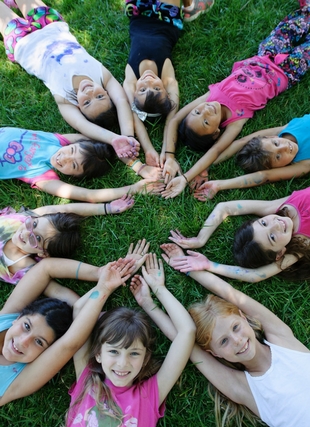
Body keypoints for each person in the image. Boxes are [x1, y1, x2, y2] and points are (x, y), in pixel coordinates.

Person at [161, 0, 310, 198]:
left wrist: (169, 154)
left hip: (266, 53)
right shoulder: (236, 120)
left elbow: (174, 119)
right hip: (287, 70)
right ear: (216, 133)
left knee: (294, 25)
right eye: (206, 121)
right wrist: (188, 176)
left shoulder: (211, 96)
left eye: (197, 111)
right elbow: (217, 151)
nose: (205, 110)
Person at [158, 243, 310, 427]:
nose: (237, 341)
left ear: (243, 317)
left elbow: (231, 294)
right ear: (214, 353)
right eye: (223, 341)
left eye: (236, 327)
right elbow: (184, 341)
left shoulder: (282, 338)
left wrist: (188, 268)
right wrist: (152, 295)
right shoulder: (242, 388)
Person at [0, 0, 144, 165]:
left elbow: (82, 125)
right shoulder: (103, 77)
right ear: (107, 92)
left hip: (22, 41)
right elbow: (122, 101)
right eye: (99, 96)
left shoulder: (65, 99)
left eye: (87, 102)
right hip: (50, 24)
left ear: (78, 108)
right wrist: (128, 137)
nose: (90, 93)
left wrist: (114, 140)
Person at [66, 253, 195, 426]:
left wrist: (156, 293)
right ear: (98, 353)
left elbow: (187, 331)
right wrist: (109, 283)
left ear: (145, 358)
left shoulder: (149, 396)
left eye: (134, 353)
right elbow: (79, 309)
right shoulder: (86, 380)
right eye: (113, 351)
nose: (122, 363)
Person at [0, 253, 136, 406]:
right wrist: (97, 273)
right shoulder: (4, 318)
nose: (24, 341)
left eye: (39, 342)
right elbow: (44, 269)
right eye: (26, 326)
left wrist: (104, 287)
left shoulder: (18, 383)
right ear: (17, 318)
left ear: (46, 352)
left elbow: (69, 344)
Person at [168, 186, 310, 282]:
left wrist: (201, 239)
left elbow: (225, 207)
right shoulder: (301, 243)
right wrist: (209, 265)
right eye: (272, 237)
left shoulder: (278, 208)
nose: (276, 224)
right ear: (280, 254)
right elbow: (255, 276)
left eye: (263, 223)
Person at [0, 127, 164, 201]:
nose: (64, 159)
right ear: (71, 144)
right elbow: (100, 138)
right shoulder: (56, 141)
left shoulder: (42, 174)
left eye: (73, 166)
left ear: (75, 176)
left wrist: (134, 188)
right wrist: (137, 166)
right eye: (71, 151)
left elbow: (87, 195)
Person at [0, 196, 134, 285]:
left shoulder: (25, 267)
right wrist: (107, 208)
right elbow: (65, 209)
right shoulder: (23, 220)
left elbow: (57, 291)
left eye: (37, 238)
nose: (26, 233)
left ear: (44, 254)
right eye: (33, 224)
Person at [193, 113, 310, 200]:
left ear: (271, 137)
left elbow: (241, 142)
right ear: (276, 168)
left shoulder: (287, 128)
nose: (284, 147)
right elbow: (264, 176)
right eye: (278, 157)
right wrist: (218, 185)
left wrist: (206, 166)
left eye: (276, 144)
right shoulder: (303, 164)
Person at [123, 0, 182, 169]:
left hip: (137, 13)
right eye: (157, 88)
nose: (149, 80)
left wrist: (149, 149)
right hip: (166, 18)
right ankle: (190, 6)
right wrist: (168, 151)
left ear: (134, 93)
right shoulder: (166, 75)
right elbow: (172, 115)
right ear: (165, 89)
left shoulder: (131, 79)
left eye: (142, 89)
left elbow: (133, 114)